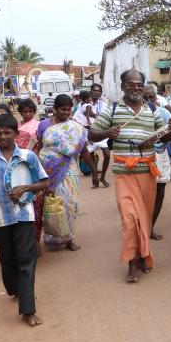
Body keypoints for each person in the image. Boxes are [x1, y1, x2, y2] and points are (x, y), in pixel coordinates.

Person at [89, 69, 171, 283]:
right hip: (124, 174)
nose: (135, 88)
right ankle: (132, 262)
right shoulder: (112, 109)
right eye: (131, 84)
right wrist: (106, 133)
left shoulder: (152, 109)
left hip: (147, 172)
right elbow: (92, 133)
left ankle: (141, 256)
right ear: (122, 86)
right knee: (130, 219)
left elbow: (163, 135)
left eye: (139, 84)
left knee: (144, 219)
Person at [0, 114, 49, 327]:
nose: (2, 136)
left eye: (7, 132)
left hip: (23, 215)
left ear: (17, 134)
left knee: (27, 260)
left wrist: (27, 187)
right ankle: (15, 289)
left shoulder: (28, 157)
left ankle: (28, 310)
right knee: (7, 259)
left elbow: (44, 182)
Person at [36, 94, 98, 252]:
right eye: (63, 109)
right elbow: (39, 147)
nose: (66, 112)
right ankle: (52, 236)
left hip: (69, 169)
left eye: (69, 109)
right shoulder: (43, 125)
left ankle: (69, 237)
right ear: (55, 109)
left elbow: (83, 151)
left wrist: (94, 171)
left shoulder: (75, 127)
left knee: (70, 204)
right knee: (50, 204)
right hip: (48, 171)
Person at [142, 84, 171, 240]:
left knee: (160, 192)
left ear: (156, 97)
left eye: (151, 97)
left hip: (161, 156)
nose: (148, 100)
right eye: (145, 97)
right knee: (145, 194)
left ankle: (150, 227)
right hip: (143, 158)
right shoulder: (137, 115)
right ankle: (143, 226)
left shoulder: (164, 113)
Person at [89, 83, 111, 188]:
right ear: (91, 91)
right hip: (89, 133)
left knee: (107, 155)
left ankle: (103, 177)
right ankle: (95, 177)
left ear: (101, 93)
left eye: (99, 91)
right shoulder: (84, 103)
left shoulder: (104, 104)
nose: (96, 92)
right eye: (94, 90)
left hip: (101, 132)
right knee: (89, 155)